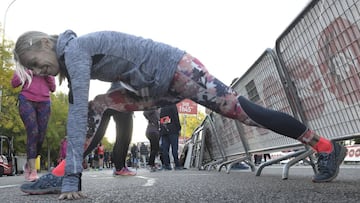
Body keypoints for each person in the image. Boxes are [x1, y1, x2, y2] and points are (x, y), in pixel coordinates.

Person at [13, 30, 346, 200]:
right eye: (34, 71)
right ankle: (59, 173)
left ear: (45, 42)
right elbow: (82, 107)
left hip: (180, 71)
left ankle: (326, 147)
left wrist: (75, 180)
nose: (39, 71)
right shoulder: (73, 55)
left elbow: (74, 112)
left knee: (244, 113)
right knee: (99, 105)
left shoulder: (77, 49)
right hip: (154, 86)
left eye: (37, 64)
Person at [11, 70, 56, 181]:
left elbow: (53, 88)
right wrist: (28, 71)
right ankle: (33, 170)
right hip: (26, 99)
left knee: (41, 136)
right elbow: (14, 83)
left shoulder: (47, 65)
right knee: (33, 132)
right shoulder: (25, 64)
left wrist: (46, 73)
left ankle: (29, 163)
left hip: (44, 102)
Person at [159, 104, 182, 170]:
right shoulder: (173, 106)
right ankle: (177, 165)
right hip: (173, 130)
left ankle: (167, 165)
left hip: (164, 130)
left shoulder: (162, 107)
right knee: (174, 148)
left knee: (165, 149)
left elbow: (161, 119)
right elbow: (175, 117)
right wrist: (179, 128)